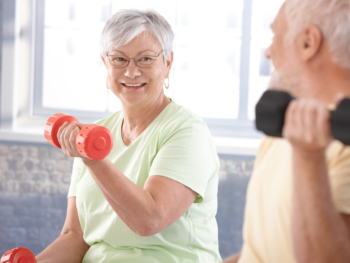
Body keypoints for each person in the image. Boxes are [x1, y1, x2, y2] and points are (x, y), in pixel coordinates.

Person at [36, 9, 221, 263]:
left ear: (167, 63)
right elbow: (74, 236)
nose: (131, 72)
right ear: (105, 63)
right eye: (119, 59)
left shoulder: (187, 131)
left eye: (145, 59)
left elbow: (149, 220)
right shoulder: (95, 133)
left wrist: (94, 160)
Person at [224, 0, 350, 262]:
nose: (268, 52)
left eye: (275, 34)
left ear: (308, 42)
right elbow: (261, 249)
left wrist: (308, 157)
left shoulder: (340, 145)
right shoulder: (284, 128)